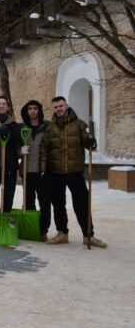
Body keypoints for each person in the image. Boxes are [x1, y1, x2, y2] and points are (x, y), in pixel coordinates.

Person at [41, 96, 106, 247]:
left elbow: (89, 142)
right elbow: (44, 150)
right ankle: (62, 233)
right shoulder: (50, 128)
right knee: (58, 204)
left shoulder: (79, 124)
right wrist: (44, 170)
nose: (59, 109)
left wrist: (91, 142)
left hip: (74, 171)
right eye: (56, 107)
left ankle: (88, 235)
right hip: (55, 172)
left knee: (82, 203)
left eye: (61, 106)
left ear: (66, 106)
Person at [20, 99, 52, 241]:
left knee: (44, 202)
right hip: (27, 170)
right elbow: (15, 147)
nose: (32, 111)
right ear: (26, 111)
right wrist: (20, 150)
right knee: (28, 201)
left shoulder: (47, 127)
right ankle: (31, 228)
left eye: (35, 108)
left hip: (42, 170)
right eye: (30, 109)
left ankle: (43, 230)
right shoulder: (22, 128)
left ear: (39, 111)